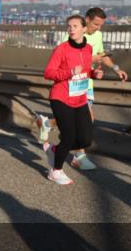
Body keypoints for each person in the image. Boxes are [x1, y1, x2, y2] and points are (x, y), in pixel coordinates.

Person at [36, 6, 129, 170]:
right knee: (84, 121)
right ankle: (76, 156)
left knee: (85, 123)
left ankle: (49, 124)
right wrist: (90, 60)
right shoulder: (73, 33)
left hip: (85, 84)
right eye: (95, 24)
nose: (98, 28)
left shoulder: (97, 36)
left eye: (101, 25)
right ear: (86, 21)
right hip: (69, 86)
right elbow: (69, 58)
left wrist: (116, 69)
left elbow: (102, 56)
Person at [42, 15, 102, 184]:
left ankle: (54, 150)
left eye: (75, 26)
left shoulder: (88, 49)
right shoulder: (61, 49)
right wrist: (69, 73)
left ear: (84, 29)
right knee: (68, 137)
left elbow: (85, 70)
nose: (71, 29)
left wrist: (94, 74)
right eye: (69, 26)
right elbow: (48, 73)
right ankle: (56, 171)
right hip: (61, 97)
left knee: (85, 139)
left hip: (80, 98)